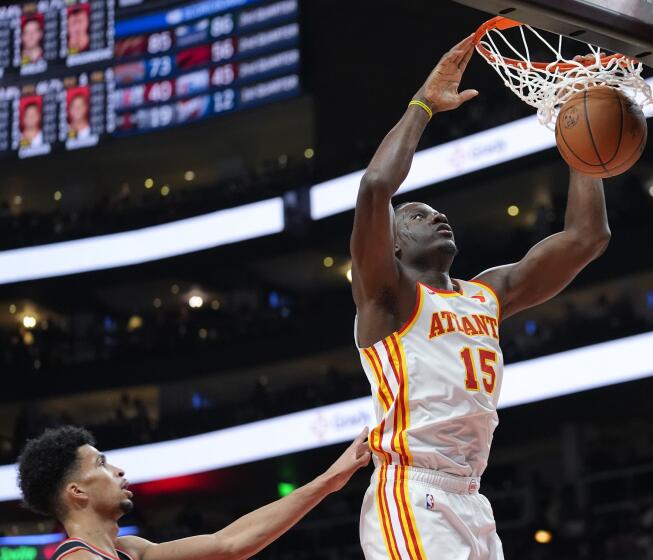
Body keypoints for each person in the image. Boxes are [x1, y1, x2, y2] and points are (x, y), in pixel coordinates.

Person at [351, 35, 611, 559]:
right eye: (418, 216)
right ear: (394, 243)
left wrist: (585, 141)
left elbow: (588, 237)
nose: (437, 216)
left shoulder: (488, 293)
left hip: (472, 498)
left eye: (437, 213)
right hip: (412, 489)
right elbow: (377, 185)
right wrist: (424, 103)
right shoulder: (387, 297)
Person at [16, 425, 371, 560]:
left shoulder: (131, 551)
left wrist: (328, 480)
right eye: (101, 464)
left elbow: (230, 544)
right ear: (77, 492)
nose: (118, 471)